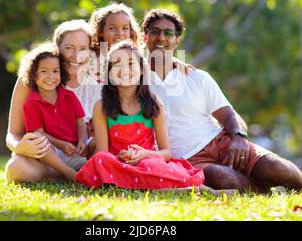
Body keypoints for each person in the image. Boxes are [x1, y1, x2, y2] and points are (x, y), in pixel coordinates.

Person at [142, 9, 302, 193]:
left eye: (168, 33)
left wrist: (239, 137)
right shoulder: (133, 80)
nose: (161, 38)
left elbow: (228, 113)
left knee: (276, 168)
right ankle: (267, 194)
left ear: (177, 40)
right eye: (155, 32)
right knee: (220, 176)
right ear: (145, 37)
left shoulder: (197, 77)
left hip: (222, 142)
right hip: (187, 160)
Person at [75, 41, 237, 196]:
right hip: (118, 164)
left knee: (152, 165)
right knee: (101, 160)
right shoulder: (101, 106)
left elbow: (166, 152)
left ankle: (198, 189)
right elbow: (103, 151)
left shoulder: (153, 104)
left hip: (147, 162)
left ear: (142, 70)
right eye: (117, 63)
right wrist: (120, 157)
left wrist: (145, 154)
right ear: (109, 72)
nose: (124, 68)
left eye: (131, 63)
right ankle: (165, 188)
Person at [5, 20, 101, 183]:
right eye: (69, 48)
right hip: (46, 155)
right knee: (17, 169)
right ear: (57, 49)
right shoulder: (31, 80)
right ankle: (69, 174)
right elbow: (13, 134)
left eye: (83, 49)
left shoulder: (97, 81)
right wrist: (19, 146)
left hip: (80, 154)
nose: (76, 56)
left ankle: (62, 174)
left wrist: (85, 140)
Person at [19, 42, 90, 181]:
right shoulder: (31, 103)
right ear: (33, 74)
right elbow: (39, 133)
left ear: (61, 73)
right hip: (53, 155)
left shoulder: (69, 96)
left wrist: (82, 141)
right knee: (38, 140)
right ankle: (70, 174)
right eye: (44, 71)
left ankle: (93, 167)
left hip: (76, 150)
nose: (51, 76)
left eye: (55, 71)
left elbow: (81, 123)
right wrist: (61, 144)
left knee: (96, 140)